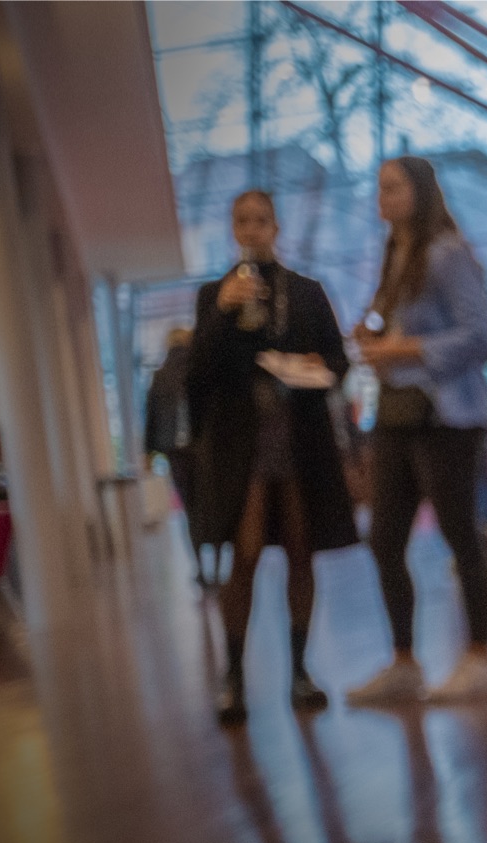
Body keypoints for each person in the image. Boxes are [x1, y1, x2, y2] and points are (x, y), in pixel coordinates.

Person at [185, 190, 360, 725]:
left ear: (276, 227)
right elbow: (198, 374)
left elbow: (339, 361)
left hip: (301, 438)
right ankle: (234, 675)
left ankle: (300, 671)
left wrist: (311, 366)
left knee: (302, 549)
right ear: (233, 228)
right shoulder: (214, 294)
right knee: (245, 552)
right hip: (242, 445)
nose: (253, 230)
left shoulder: (306, 292)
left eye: (261, 220)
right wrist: (222, 312)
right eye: (243, 221)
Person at [347, 155, 487, 706]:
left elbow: (480, 336)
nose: (382, 197)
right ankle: (404, 661)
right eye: (379, 187)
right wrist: (373, 338)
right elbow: (392, 326)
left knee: (462, 534)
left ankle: (479, 655)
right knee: (384, 538)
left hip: (445, 415)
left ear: (420, 191)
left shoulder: (447, 252)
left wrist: (406, 348)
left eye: (393, 187)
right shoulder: (395, 255)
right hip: (397, 411)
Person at [144, 327, 213, 586]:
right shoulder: (197, 370)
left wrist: (149, 451)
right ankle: (215, 561)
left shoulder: (160, 375)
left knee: (190, 509)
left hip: (174, 450)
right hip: (201, 446)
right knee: (207, 504)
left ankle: (200, 567)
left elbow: (151, 415)